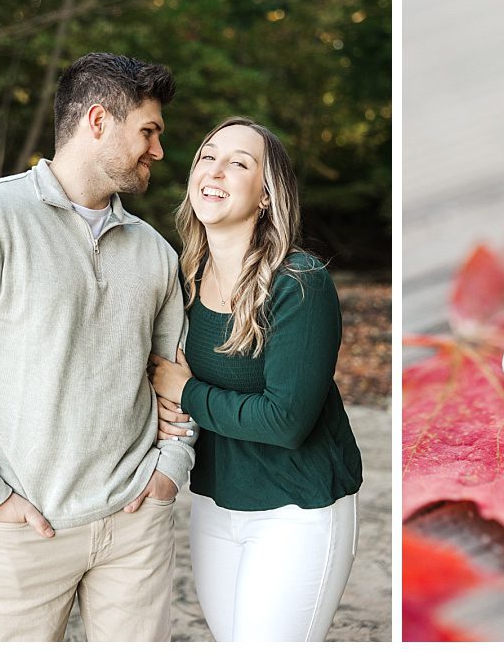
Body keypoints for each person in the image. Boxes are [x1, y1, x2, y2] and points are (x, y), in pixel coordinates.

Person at [0, 52, 193, 642]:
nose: (158, 151)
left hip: (135, 527)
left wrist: (169, 473)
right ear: (97, 120)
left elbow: (177, 379)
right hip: (25, 529)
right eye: (148, 131)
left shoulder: (155, 252)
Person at [147, 117, 363, 642]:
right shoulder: (184, 276)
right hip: (218, 503)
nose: (214, 170)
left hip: (298, 509)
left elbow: (286, 419)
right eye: (207, 156)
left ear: (266, 196)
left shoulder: (299, 283)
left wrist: (184, 393)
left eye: (238, 163)